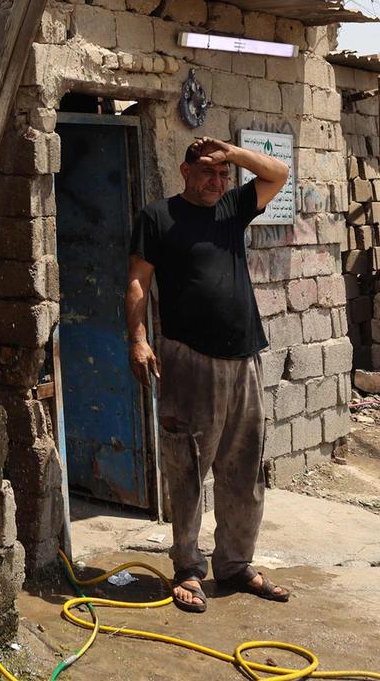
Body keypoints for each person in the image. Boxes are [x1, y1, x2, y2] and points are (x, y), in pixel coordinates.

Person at [126, 135, 291, 613]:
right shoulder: (158, 217)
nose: (217, 181)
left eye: (223, 175)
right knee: (188, 467)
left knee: (245, 470)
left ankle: (235, 565)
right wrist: (138, 339)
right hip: (189, 360)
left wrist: (232, 153)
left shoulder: (233, 208)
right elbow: (138, 280)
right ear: (185, 171)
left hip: (245, 359)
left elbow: (278, 173)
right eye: (207, 172)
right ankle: (188, 568)